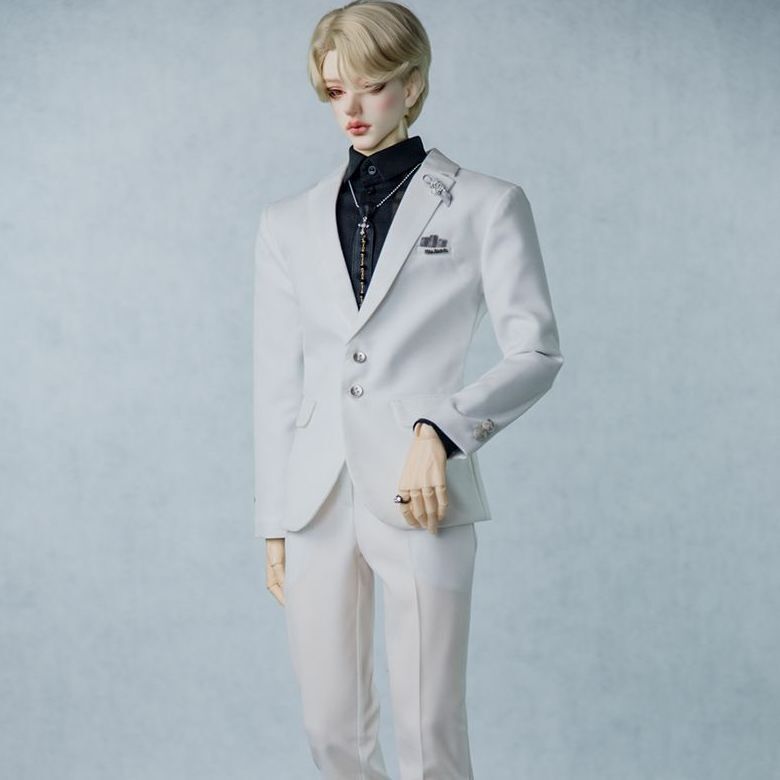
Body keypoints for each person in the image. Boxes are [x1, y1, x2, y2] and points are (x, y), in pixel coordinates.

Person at [253, 2, 564, 777]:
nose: (351, 109)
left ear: (413, 85)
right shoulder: (286, 223)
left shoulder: (487, 204)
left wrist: (442, 429)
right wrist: (274, 518)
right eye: (336, 91)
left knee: (429, 724)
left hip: (421, 491)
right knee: (330, 729)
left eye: (371, 86)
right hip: (316, 498)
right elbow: (277, 384)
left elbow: (536, 351)